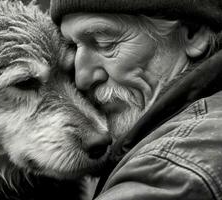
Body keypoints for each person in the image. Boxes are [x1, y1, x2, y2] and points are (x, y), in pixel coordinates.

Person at [50, 0, 222, 199]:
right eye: (72, 47)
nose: (81, 78)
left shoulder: (175, 169)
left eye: (106, 44)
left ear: (193, 33)